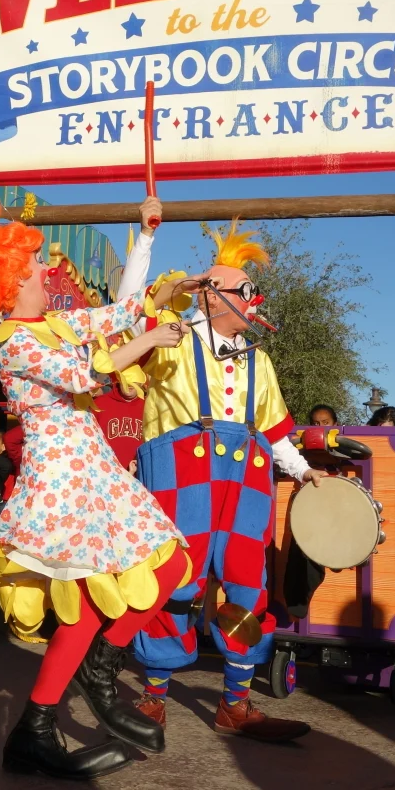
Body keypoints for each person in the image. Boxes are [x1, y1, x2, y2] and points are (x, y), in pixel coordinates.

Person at [0, 191, 196, 780]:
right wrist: (150, 341)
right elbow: (84, 371)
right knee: (86, 609)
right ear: (11, 281)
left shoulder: (52, 322)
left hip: (94, 474)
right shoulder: (13, 339)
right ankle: (57, 712)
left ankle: (69, 699)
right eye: (33, 264)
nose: (46, 268)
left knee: (166, 565)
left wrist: (147, 235)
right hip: (61, 481)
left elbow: (118, 314)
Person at [132, 220, 323, 743]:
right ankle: (152, 697)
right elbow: (137, 307)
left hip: (246, 480)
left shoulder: (260, 361)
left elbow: (276, 430)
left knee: (245, 584)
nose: (254, 300)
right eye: (245, 290)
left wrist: (304, 472)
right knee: (174, 581)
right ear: (215, 296)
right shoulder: (170, 340)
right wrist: (156, 254)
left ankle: (235, 705)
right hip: (181, 475)